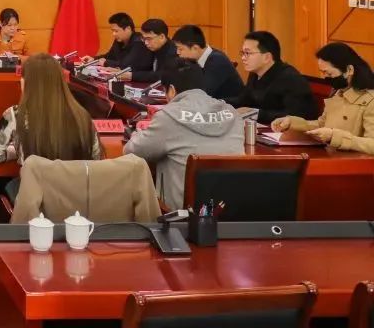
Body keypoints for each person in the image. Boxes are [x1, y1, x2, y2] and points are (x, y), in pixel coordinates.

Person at [124, 64, 244, 210]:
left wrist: (137, 133)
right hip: (229, 210)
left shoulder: (168, 116)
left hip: (180, 215)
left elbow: (132, 151)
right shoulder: (233, 114)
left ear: (172, 90)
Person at [0, 53, 101, 166]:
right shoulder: (82, 115)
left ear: (26, 81)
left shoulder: (15, 114)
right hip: (75, 180)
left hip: (33, 180)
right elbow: (96, 158)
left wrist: (16, 152)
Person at [271, 42, 374, 155]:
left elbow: (372, 144)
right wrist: (292, 123)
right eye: (323, 73)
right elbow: (322, 124)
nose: (325, 77)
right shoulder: (338, 93)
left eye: (328, 73)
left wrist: (334, 136)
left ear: (349, 70)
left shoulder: (370, 100)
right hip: (330, 156)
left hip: (354, 162)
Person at [226, 31, 319, 125]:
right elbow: (244, 100)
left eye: (247, 53)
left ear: (267, 57)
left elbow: (296, 116)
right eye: (242, 53)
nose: (243, 58)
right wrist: (220, 102)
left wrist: (255, 114)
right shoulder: (255, 73)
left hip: (286, 132)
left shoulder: (290, 78)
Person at [172, 24, 243, 100]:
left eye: (180, 49)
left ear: (195, 48)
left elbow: (203, 94)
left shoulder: (217, 61)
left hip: (232, 106)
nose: (178, 52)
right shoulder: (197, 61)